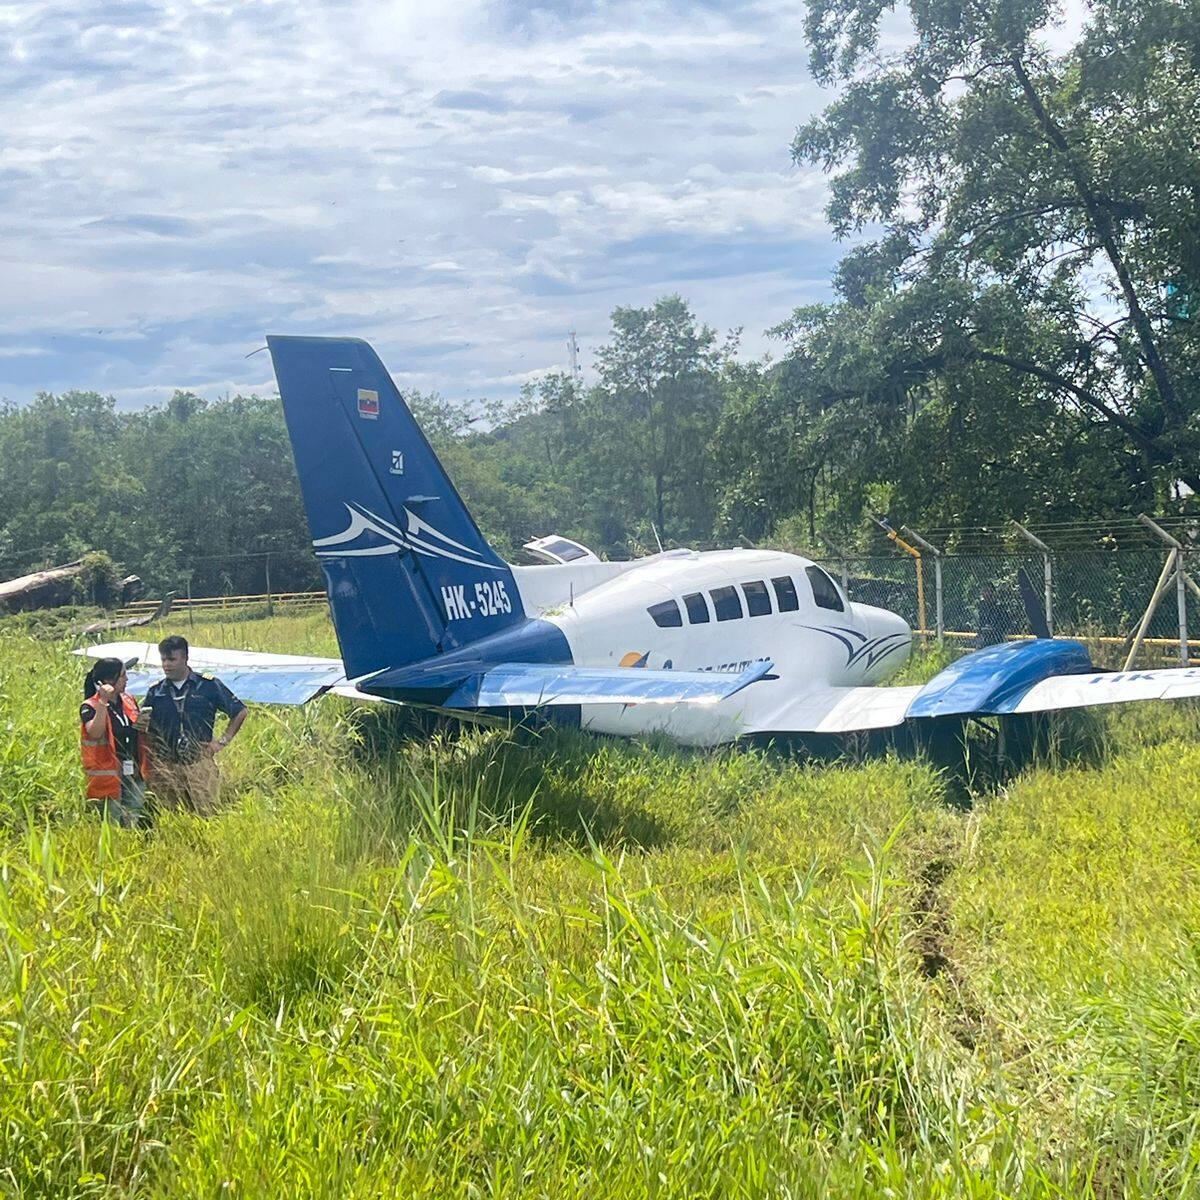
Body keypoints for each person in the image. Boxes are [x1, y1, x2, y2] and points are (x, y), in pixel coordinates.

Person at [143, 635, 247, 815]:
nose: (167, 665)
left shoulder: (208, 685)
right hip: (167, 766)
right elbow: (146, 727)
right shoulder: (155, 691)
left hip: (199, 764)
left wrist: (222, 742)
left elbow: (240, 711)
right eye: (163, 660)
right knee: (172, 817)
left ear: (184, 658)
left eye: (172, 659)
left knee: (208, 815)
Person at [80, 657, 150, 828]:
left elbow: (130, 728)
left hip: (132, 770)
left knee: (132, 817)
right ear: (108, 681)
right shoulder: (91, 706)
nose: (126, 680)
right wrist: (103, 701)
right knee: (112, 824)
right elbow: (95, 732)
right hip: (109, 775)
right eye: (123, 676)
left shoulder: (128, 699)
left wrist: (141, 725)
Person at [975, 583, 1013, 648]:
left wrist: (994, 629)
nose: (985, 594)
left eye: (988, 591)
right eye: (984, 591)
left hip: (996, 637)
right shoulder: (982, 606)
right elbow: (981, 622)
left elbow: (1006, 623)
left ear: (992, 592)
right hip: (984, 637)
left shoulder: (999, 606)